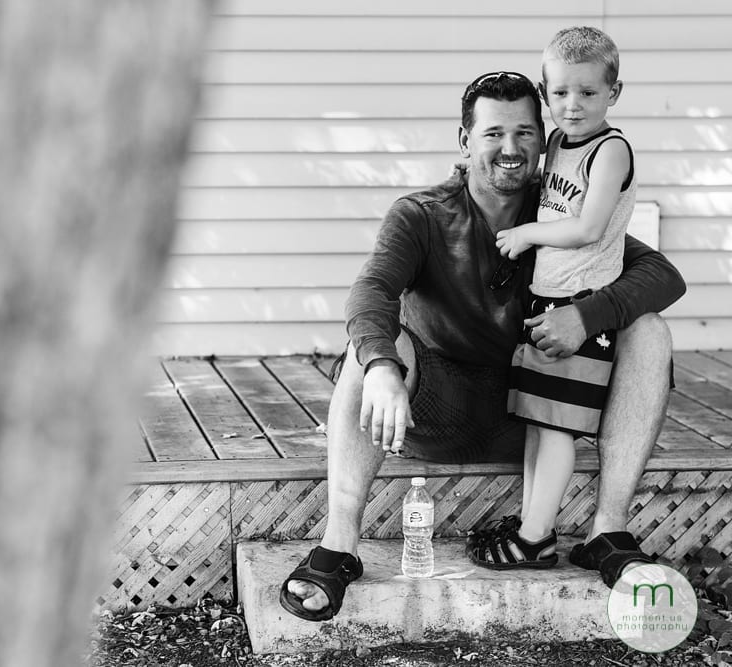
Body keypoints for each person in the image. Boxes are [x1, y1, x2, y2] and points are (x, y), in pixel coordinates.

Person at [278, 70, 685, 622]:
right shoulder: (421, 214)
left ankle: (608, 531)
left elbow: (661, 273)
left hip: (533, 416)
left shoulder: (561, 211)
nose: (511, 149)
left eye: (524, 132)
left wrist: (584, 315)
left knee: (649, 329)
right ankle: (338, 544)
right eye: (494, 133)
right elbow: (371, 290)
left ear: (543, 140)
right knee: (372, 345)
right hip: (435, 409)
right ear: (465, 140)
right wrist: (381, 367)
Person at [468, 27, 636, 571]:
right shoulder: (562, 142)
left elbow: (587, 227)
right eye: (560, 93)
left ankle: (537, 537)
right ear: (546, 93)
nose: (573, 105)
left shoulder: (610, 150)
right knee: (540, 422)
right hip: (545, 304)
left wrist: (527, 235)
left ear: (614, 92)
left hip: (580, 309)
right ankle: (530, 527)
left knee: (558, 426)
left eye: (588, 92)